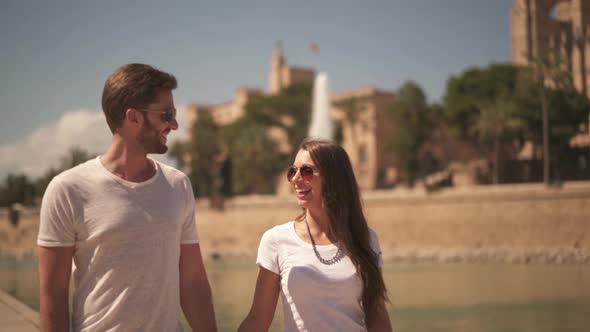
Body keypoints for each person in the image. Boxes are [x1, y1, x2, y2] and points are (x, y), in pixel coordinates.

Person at [37, 63, 217, 332]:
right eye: (166, 114)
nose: (175, 124)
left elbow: (192, 281)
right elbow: (53, 294)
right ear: (133, 117)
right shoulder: (67, 190)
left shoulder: (178, 186)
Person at [238, 138, 392, 332]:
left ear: (333, 178)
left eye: (307, 171)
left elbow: (376, 314)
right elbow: (258, 319)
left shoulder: (366, 238)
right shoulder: (276, 240)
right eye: (292, 171)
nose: (295, 179)